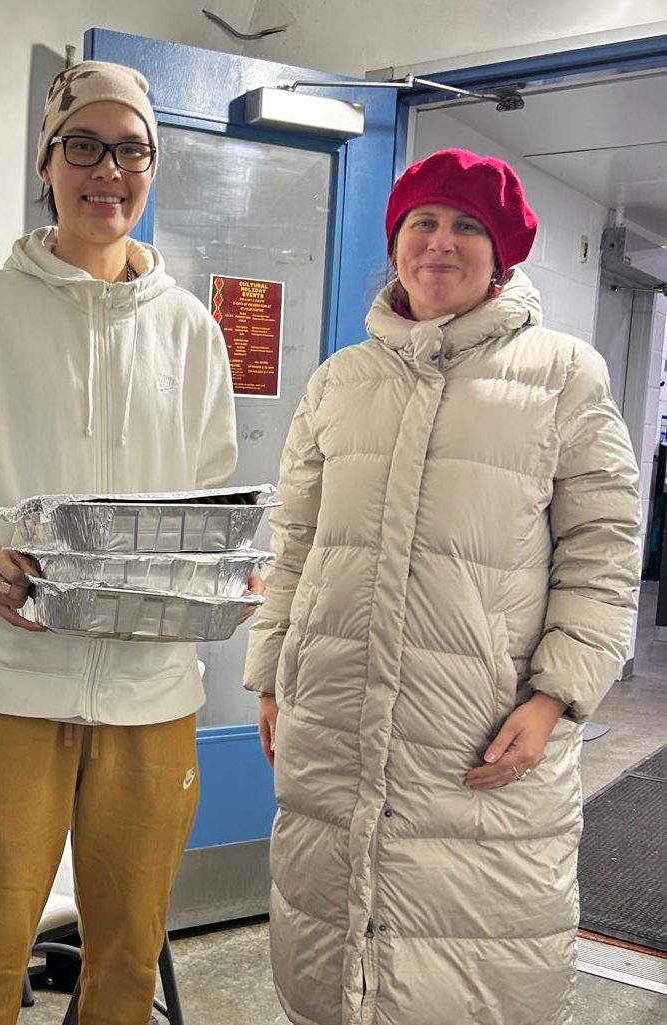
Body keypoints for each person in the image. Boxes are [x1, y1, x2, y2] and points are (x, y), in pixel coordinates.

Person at [244, 148, 642, 1025]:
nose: (441, 242)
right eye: (423, 221)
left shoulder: (563, 375)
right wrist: (272, 671)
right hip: (337, 722)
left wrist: (556, 699)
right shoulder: (339, 381)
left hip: (478, 734)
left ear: (503, 255)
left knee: (474, 973)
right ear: (396, 244)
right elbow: (299, 537)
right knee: (330, 952)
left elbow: (603, 553)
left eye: (469, 225)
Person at [0, 61, 248, 1024]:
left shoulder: (190, 330)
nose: (109, 169)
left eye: (131, 149)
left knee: (128, 958)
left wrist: (225, 577)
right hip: (9, 681)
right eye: (84, 145)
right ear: (47, 163)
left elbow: (212, 502)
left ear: (152, 166)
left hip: (149, 694)